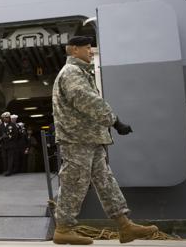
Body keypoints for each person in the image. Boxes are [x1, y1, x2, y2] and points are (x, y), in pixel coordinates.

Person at [52, 36, 158, 245]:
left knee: (105, 181)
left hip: (91, 138)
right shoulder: (72, 72)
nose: (91, 51)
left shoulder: (81, 72)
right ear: (74, 50)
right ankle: (63, 229)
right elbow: (86, 99)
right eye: (87, 47)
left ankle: (125, 226)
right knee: (74, 182)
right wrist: (115, 121)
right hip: (77, 140)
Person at [0, 112, 20, 176]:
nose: (7, 119)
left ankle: (9, 171)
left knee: (10, 158)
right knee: (4, 158)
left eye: (8, 117)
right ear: (3, 118)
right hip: (3, 144)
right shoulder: (1, 126)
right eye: (5, 118)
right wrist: (1, 137)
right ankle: (5, 170)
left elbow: (16, 134)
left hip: (10, 144)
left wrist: (8, 137)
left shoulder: (13, 125)